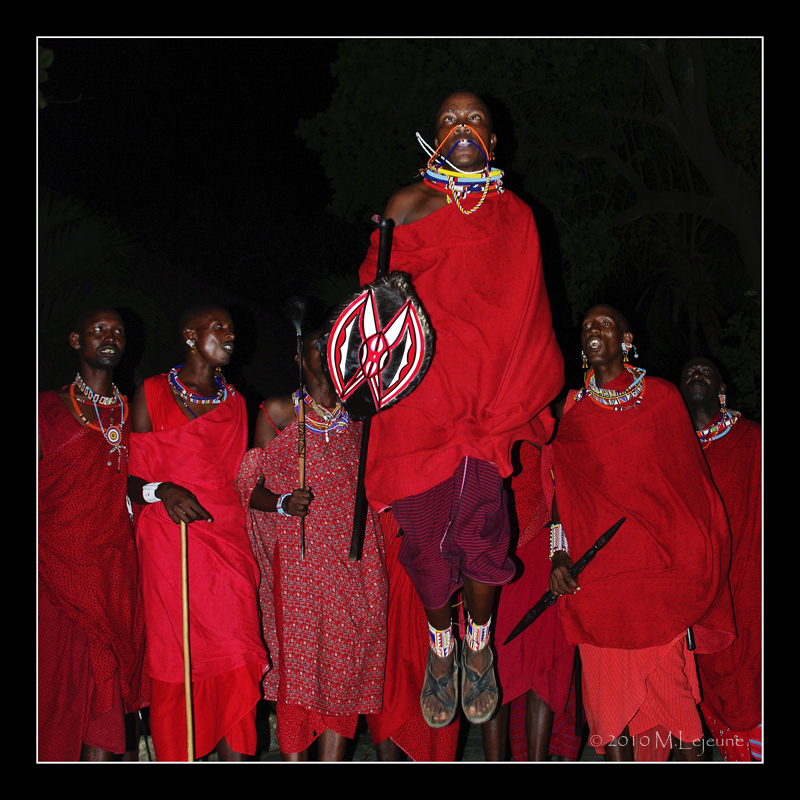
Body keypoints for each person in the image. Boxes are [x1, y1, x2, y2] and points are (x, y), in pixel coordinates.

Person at [357, 92, 564, 731]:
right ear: (433, 138)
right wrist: (384, 296)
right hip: (416, 404)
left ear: (494, 144)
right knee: (423, 542)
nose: (464, 127)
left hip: (485, 405)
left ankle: (477, 639)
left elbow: (525, 316)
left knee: (479, 535)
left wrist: (511, 397)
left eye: (476, 120)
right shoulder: (403, 209)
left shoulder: (517, 218)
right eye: (450, 119)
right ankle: (440, 643)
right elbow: (367, 309)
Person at [543, 305, 736, 761]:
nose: (595, 330)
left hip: (658, 580)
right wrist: (557, 555)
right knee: (610, 718)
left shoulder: (663, 399)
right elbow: (561, 496)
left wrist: (690, 558)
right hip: (598, 583)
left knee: (678, 712)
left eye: (606, 324)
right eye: (589, 325)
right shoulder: (573, 409)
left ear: (626, 340)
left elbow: (690, 491)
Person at [235, 329, 388, 761]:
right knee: (301, 668)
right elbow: (250, 488)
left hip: (356, 558)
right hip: (301, 561)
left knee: (349, 662)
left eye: (338, 344)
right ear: (300, 353)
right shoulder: (279, 412)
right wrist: (283, 502)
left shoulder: (362, 415)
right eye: (321, 344)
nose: (331, 351)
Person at [127, 305, 267, 761]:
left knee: (237, 653)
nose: (230, 335)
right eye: (219, 327)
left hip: (226, 541)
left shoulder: (237, 404)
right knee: (179, 660)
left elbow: (240, 479)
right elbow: (127, 479)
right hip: (169, 546)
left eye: (232, 327)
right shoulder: (149, 394)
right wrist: (160, 489)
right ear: (190, 335)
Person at [38, 307, 148, 761]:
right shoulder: (46, 407)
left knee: (105, 693)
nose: (110, 337)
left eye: (118, 331)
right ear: (75, 341)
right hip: (52, 567)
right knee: (55, 689)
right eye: (98, 329)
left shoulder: (136, 411)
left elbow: (144, 478)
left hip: (112, 569)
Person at [679, 356, 762, 761]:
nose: (697, 377)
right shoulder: (672, 453)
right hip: (700, 596)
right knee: (707, 686)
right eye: (689, 375)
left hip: (749, 588)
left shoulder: (752, 440)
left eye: (706, 373)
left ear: (722, 391)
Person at [489, 441, 581, 761]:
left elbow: (565, 485)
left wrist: (560, 550)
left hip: (548, 548)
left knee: (544, 667)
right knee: (495, 662)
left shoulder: (554, 419)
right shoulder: (494, 418)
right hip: (499, 552)